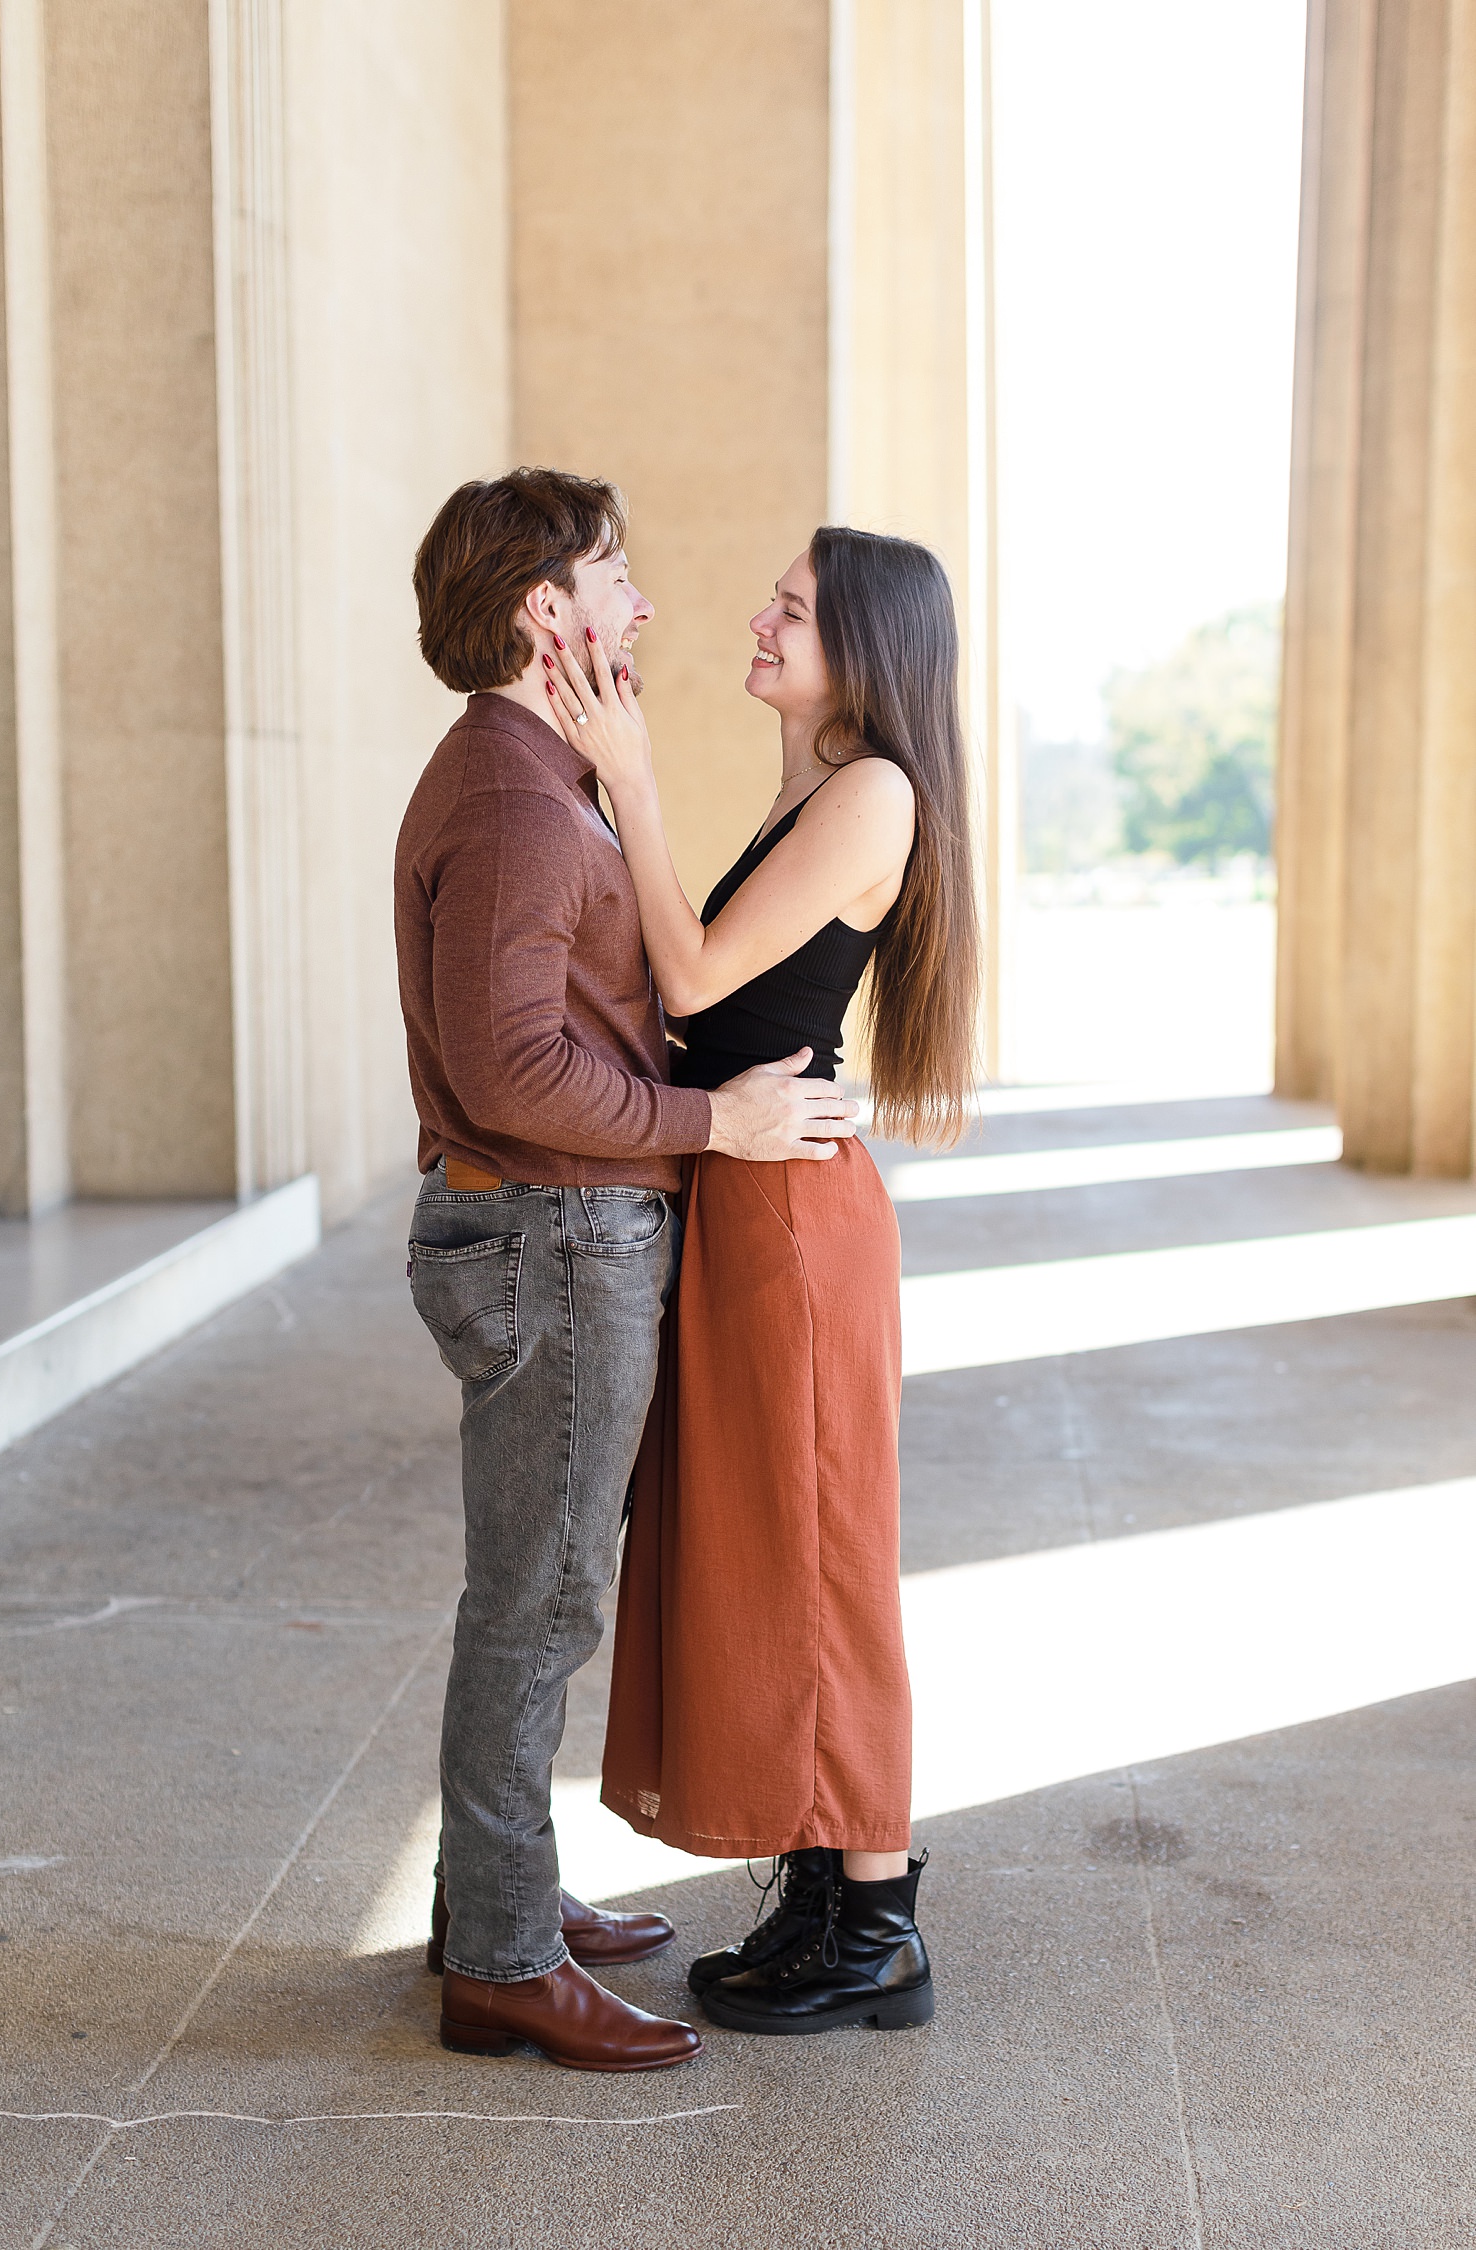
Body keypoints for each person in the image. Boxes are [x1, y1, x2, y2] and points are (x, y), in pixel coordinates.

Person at [394, 469, 860, 2073]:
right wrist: (711, 1119)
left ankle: (491, 1897)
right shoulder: (522, 804)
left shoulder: (527, 769)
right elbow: (515, 1065)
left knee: (528, 1589)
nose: (645, 604)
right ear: (547, 614)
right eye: (614, 576)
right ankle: (505, 1961)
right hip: (553, 1232)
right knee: (539, 1601)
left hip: (550, 1229)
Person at [542, 524, 980, 2036]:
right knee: (780, 1551)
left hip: (794, 1230)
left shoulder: (871, 789)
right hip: (758, 1203)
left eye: (789, 607)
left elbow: (697, 979)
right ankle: (826, 1889)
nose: (757, 618)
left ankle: (878, 1927)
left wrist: (632, 775)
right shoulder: (821, 781)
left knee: (825, 1560)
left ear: (862, 645)